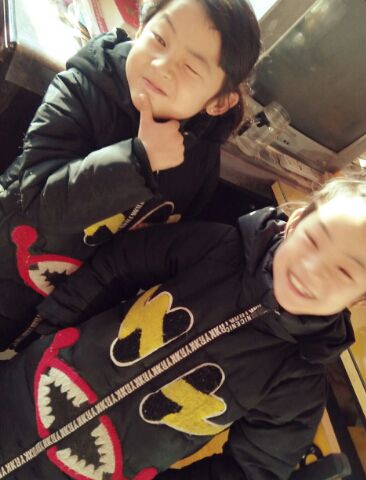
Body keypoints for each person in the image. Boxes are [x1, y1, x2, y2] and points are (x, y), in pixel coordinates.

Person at [0, 177, 366, 479]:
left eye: (344, 271)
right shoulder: (219, 247)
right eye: (314, 240)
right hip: (18, 389)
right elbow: (122, 263)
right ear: (297, 221)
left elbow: (251, 471)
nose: (312, 269)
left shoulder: (298, 383)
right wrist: (52, 323)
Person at [0, 0, 261, 350]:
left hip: (58, 316)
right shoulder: (83, 87)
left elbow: (147, 252)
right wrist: (137, 160)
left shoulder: (200, 161)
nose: (162, 65)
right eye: (160, 39)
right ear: (140, 27)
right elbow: (38, 204)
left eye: (191, 67)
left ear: (219, 102)